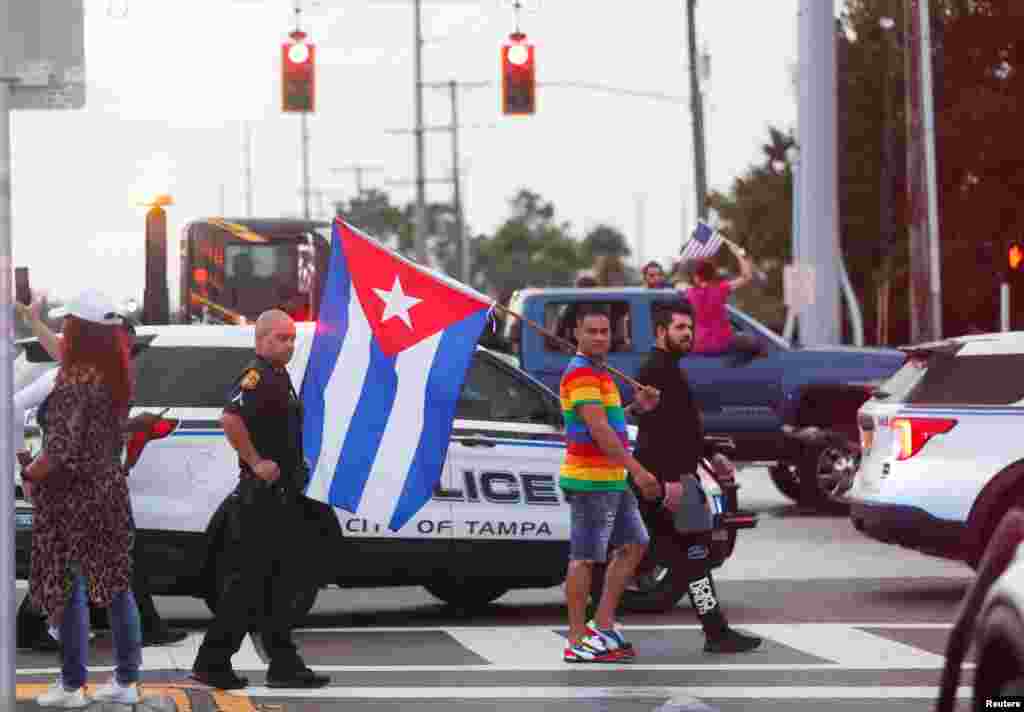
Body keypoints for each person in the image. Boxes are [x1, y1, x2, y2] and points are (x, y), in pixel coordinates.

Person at [14, 299, 189, 651]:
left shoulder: (97, 372)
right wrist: (27, 468)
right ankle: (43, 628)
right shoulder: (81, 377)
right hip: (76, 485)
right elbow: (58, 440)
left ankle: (54, 628)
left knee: (80, 559)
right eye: (122, 340)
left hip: (93, 483)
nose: (127, 348)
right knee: (72, 559)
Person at [191, 309, 329, 690]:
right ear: (262, 338)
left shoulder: (279, 376)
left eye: (291, 339)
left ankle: (283, 664)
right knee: (247, 584)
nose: (289, 344)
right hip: (261, 499)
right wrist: (255, 461)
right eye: (281, 338)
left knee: (277, 585)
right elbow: (230, 418)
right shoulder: (256, 376)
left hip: (281, 497)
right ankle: (212, 661)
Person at [22, 289, 144, 707]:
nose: (62, 331)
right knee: (116, 586)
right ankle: (127, 681)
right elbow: (59, 350)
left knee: (68, 585)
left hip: (74, 498)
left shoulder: (74, 384)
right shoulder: (112, 372)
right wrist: (33, 321)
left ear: (80, 331)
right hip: (109, 492)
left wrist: (28, 472)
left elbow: (59, 450)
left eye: (66, 324)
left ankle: (72, 686)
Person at [632, 302, 762, 653]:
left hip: (672, 477)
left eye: (689, 327)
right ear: (661, 332)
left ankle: (716, 630)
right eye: (679, 328)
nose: (687, 333)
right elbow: (657, 431)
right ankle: (715, 631)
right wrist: (672, 480)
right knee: (689, 553)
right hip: (669, 480)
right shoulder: (657, 369)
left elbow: (679, 425)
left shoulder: (668, 367)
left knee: (683, 554)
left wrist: (708, 451)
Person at [559, 305, 663, 663]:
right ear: (576, 333)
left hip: (610, 479)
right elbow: (599, 430)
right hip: (590, 480)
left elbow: (612, 422)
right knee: (584, 558)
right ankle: (575, 641)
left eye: (605, 331)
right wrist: (637, 470)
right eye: (592, 332)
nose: (600, 337)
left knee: (635, 543)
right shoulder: (581, 374)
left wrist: (637, 408)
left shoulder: (599, 373)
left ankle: (601, 624)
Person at [684, 242, 763, 365]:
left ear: (696, 277)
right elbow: (747, 276)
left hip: (699, 345)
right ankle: (735, 364)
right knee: (756, 342)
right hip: (722, 344)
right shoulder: (721, 289)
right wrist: (738, 255)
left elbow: (680, 284)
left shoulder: (689, 293)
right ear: (712, 276)